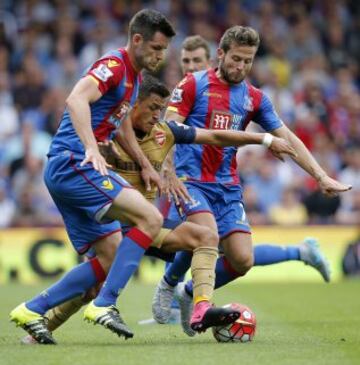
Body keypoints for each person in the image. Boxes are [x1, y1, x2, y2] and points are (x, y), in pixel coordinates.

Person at [20, 74, 297, 344]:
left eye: (161, 109)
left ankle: (199, 307)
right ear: (132, 106)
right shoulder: (108, 135)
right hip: (113, 226)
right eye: (152, 108)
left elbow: (213, 135)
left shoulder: (166, 132)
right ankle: (37, 329)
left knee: (205, 236)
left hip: (148, 226)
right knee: (90, 288)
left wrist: (264, 140)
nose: (157, 115)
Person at [153, 26, 352, 337]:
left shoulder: (254, 98)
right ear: (220, 54)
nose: (241, 67)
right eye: (236, 59)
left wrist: (320, 175)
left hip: (227, 186)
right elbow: (166, 129)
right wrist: (167, 169)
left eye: (247, 61)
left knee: (243, 259)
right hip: (190, 180)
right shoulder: (193, 84)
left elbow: (287, 138)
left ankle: (188, 292)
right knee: (206, 233)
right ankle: (196, 304)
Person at [10, 9, 177, 345]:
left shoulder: (133, 78)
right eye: (156, 48)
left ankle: (31, 309)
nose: (161, 55)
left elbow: (121, 125)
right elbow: (76, 98)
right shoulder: (115, 65)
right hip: (74, 163)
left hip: (68, 168)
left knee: (111, 254)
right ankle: (105, 304)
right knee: (149, 217)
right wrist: (89, 146)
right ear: (137, 39)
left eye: (164, 50)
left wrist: (143, 162)